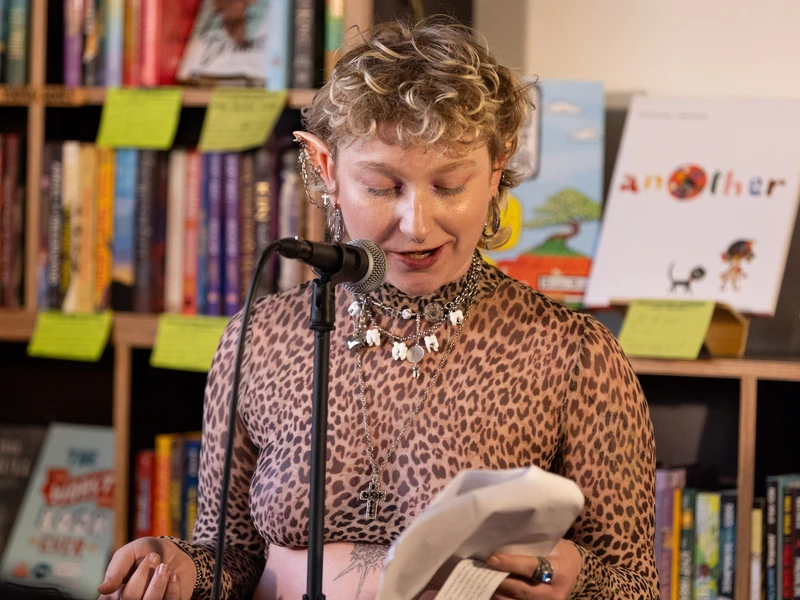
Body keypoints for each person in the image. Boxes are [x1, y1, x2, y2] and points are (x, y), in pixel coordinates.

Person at [97, 17, 659, 600]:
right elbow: (232, 555)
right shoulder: (260, 337)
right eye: (383, 187)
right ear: (325, 169)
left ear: (497, 168)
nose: (416, 224)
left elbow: (637, 586)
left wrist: (577, 578)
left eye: (448, 186)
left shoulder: (572, 353)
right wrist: (179, 568)